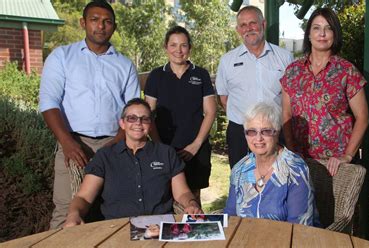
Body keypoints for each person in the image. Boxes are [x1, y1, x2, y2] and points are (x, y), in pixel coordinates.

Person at [39, 0, 140, 229]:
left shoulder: (124, 65)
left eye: (107, 22)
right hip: (73, 143)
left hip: (115, 143)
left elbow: (133, 111)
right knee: (67, 211)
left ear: (114, 27)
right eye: (94, 20)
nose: (101, 26)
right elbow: (49, 102)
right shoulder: (62, 57)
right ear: (83, 22)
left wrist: (116, 143)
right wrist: (66, 141)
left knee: (114, 209)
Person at [63, 98, 202, 227]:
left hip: (160, 228)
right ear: (122, 123)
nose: (138, 123)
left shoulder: (166, 153)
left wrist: (191, 203)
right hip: (115, 229)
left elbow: (182, 192)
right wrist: (74, 213)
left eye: (145, 119)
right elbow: (84, 197)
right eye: (132, 118)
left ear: (151, 125)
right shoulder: (105, 156)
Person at [280, 8, 369, 176]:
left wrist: (347, 156)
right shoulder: (292, 71)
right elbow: (286, 114)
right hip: (301, 162)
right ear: (308, 34)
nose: (322, 33)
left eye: (328, 28)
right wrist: (292, 152)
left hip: (335, 166)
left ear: (335, 34)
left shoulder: (347, 71)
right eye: (316, 28)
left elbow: (363, 117)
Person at [144, 26, 216, 204]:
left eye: (183, 45)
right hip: (164, 147)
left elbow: (211, 111)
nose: (178, 50)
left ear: (189, 48)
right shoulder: (156, 76)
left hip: (194, 150)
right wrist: (160, 147)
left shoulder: (201, 74)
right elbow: (149, 114)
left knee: (192, 200)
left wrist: (196, 145)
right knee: (162, 199)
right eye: (173, 45)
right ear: (166, 47)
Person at [215, 5, 294, 168]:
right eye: (243, 25)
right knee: (241, 181)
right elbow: (224, 98)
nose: (248, 28)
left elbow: (292, 98)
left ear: (263, 24)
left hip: (276, 130)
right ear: (238, 30)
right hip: (240, 133)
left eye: (253, 23)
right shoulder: (227, 61)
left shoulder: (285, 57)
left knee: (279, 180)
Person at [224, 102, 318, 226]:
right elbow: (230, 216)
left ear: (277, 132)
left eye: (266, 131)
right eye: (252, 131)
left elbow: (299, 225)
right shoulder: (240, 169)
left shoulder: (295, 169)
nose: (258, 138)